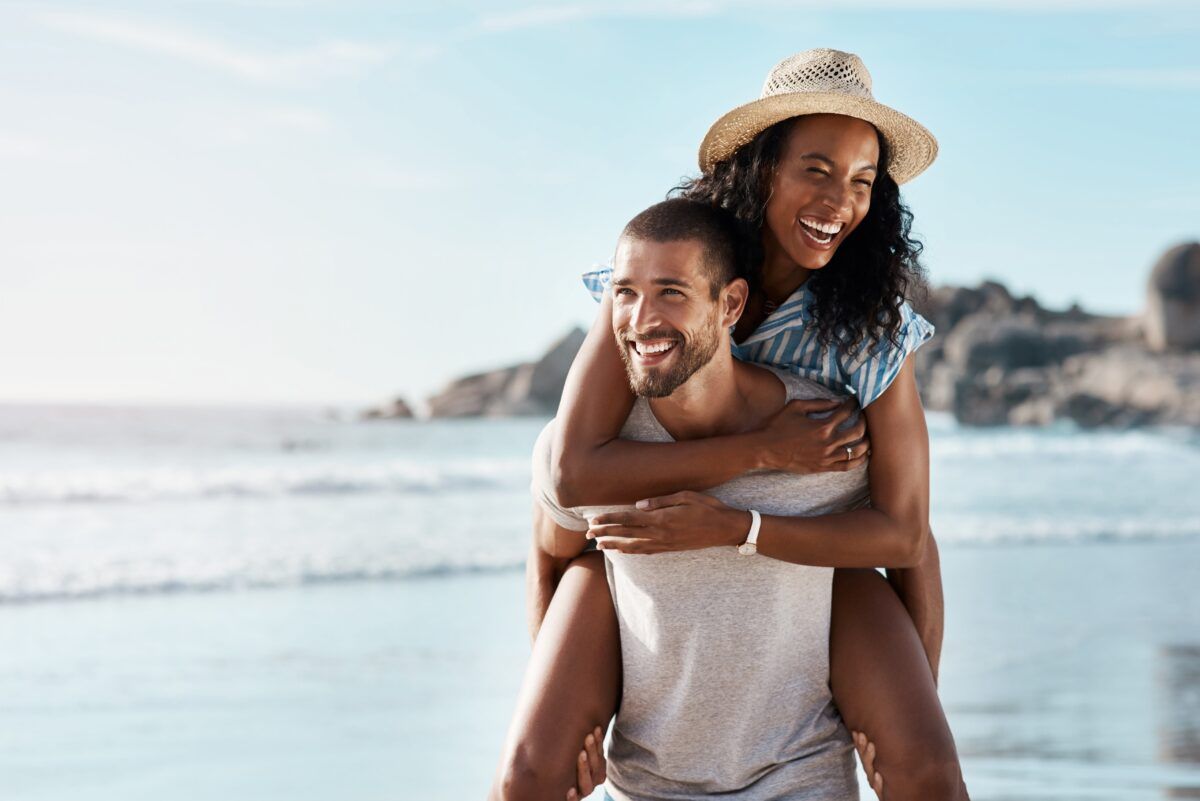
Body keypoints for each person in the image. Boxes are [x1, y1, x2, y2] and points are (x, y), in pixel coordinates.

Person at [490, 48, 969, 800]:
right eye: (816, 169)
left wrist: (911, 714)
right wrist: (759, 450)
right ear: (761, 167)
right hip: (643, 581)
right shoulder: (673, 275)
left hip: (822, 569)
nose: (839, 200)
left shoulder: (870, 330)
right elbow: (567, 477)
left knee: (925, 761)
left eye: (862, 181)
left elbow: (908, 539)